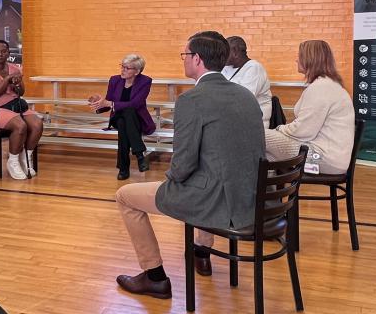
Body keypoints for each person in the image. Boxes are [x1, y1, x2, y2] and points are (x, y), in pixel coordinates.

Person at [114, 31, 265, 299]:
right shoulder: (245, 95)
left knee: (126, 196)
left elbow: (182, 166)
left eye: (185, 54)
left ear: (197, 59)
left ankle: (155, 277)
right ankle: (201, 252)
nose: (183, 60)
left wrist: (171, 179)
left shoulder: (191, 100)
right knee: (208, 177)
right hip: (250, 198)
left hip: (215, 199)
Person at [265, 40, 354, 174]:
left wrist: (279, 129)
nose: (296, 60)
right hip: (331, 159)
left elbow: (303, 131)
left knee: (258, 134)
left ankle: (257, 192)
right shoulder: (328, 84)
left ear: (310, 59)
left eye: (300, 56)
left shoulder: (321, 88)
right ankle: (269, 193)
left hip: (322, 161)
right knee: (267, 154)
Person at [0, 40, 43, 180]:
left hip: (14, 107)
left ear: (9, 53)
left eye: (4, 51)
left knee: (37, 124)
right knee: (20, 125)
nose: (1, 54)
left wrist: (17, 85)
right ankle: (12, 162)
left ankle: (25, 157)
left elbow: (22, 92)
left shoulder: (14, 69)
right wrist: (7, 79)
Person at [89, 54, 155, 180]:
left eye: (127, 68)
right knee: (125, 115)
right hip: (118, 117)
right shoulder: (114, 80)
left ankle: (124, 169)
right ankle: (139, 154)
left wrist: (111, 103)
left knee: (127, 118)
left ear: (137, 71)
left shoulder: (145, 81)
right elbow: (109, 102)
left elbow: (136, 104)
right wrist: (98, 103)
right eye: (122, 66)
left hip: (136, 119)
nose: (122, 70)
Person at [221, 36, 273, 128]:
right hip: (231, 120)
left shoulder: (254, 68)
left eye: (224, 52)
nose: (221, 55)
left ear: (235, 52)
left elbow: (243, 100)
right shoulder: (226, 68)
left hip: (253, 125)